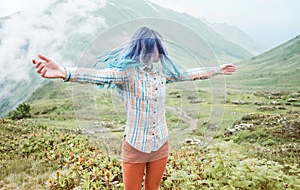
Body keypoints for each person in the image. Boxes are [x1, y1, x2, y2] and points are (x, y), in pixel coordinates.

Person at [32, 27, 236, 190]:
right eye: (155, 47)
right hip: (135, 146)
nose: (158, 52)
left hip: (161, 144)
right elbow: (100, 75)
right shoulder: (127, 74)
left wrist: (216, 70)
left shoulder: (162, 73)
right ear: (144, 47)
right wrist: (64, 72)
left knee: (153, 187)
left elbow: (188, 74)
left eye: (159, 48)